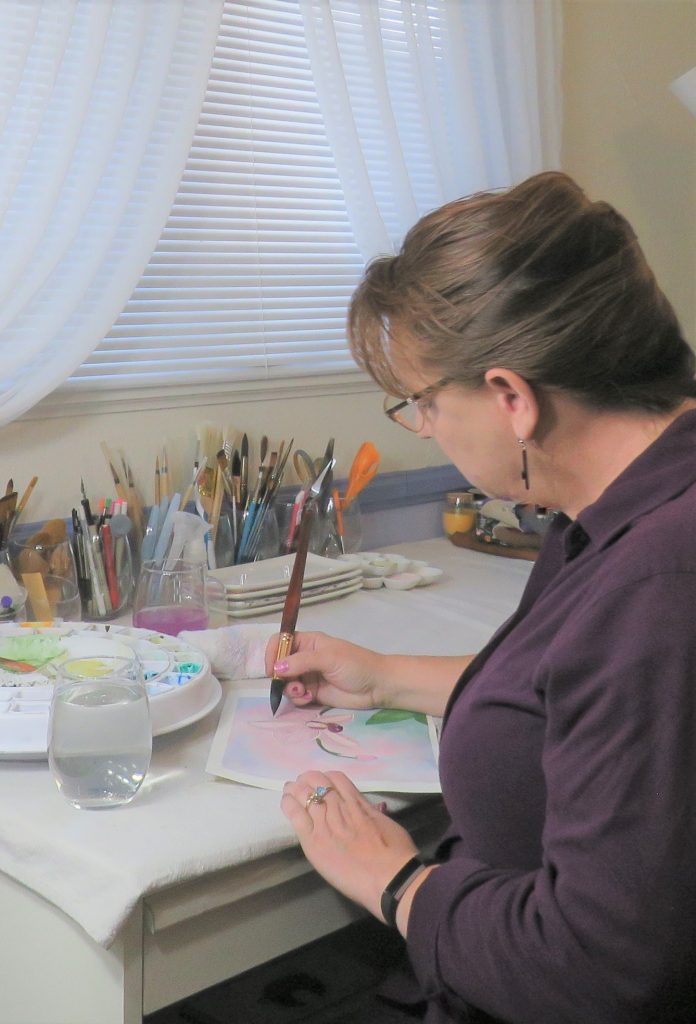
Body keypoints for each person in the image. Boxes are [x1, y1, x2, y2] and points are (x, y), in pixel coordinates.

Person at [264, 172, 696, 1023]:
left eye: (424, 402)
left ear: (511, 399)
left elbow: (598, 969)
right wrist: (384, 676)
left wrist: (398, 883)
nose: (422, 426)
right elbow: (581, 691)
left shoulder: (660, 581)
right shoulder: (619, 502)